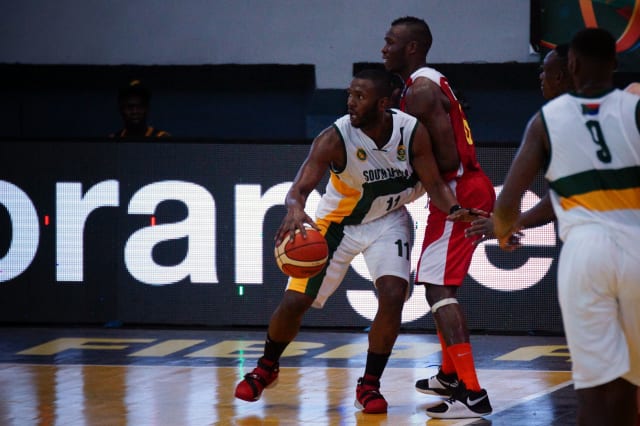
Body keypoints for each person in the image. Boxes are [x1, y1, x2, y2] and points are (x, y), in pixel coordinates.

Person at [234, 69, 484, 414]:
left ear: (382, 104)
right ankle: (266, 366)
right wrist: (294, 208)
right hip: (339, 224)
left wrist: (455, 209)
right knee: (295, 300)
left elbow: (436, 185)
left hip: (388, 221)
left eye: (360, 96)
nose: (351, 102)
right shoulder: (335, 138)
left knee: (393, 295)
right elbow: (299, 189)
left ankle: (369, 385)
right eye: (349, 95)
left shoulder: (411, 132)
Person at [493, 28, 640, 426]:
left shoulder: (545, 121)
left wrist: (504, 230)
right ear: (615, 63)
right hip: (637, 245)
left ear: (571, 64)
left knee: (592, 387)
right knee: (630, 382)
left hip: (586, 252)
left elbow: (507, 203)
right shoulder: (635, 109)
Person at [381, 16, 495, 418]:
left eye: (390, 41)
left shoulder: (421, 90)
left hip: (457, 192)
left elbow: (444, 160)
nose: (384, 49)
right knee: (438, 286)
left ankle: (472, 393)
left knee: (438, 291)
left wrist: (402, 173)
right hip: (456, 190)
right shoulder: (427, 82)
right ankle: (449, 375)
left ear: (412, 47)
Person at [466, 43, 574, 246]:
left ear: (559, 76)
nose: (541, 76)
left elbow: (562, 197)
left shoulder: (553, 122)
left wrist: (505, 224)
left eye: (544, 70)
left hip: (594, 242)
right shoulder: (624, 111)